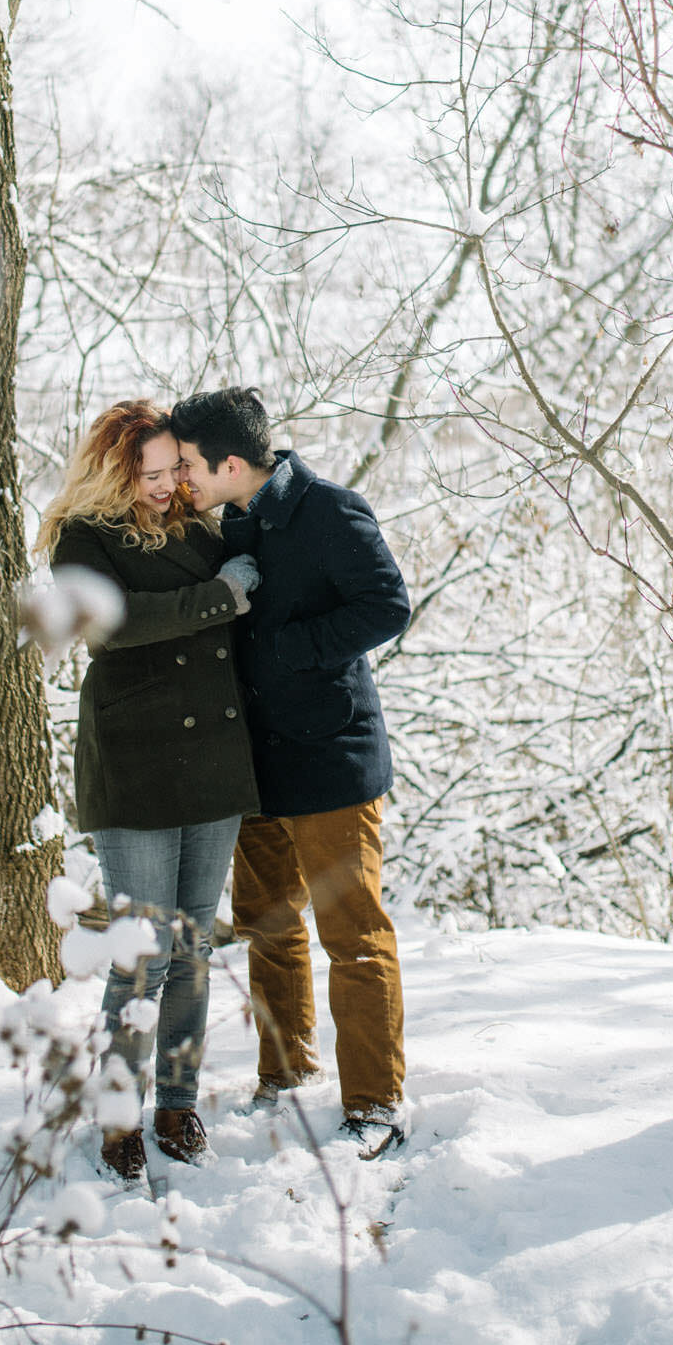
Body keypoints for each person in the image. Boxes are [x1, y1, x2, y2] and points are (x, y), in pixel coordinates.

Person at [169, 387, 411, 1153]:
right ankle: (284, 1074)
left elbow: (386, 606)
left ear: (231, 462)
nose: (182, 481)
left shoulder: (331, 511)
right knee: (269, 927)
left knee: (354, 935)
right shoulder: (222, 524)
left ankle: (374, 1105)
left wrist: (287, 651)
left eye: (188, 467)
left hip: (331, 758)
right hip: (254, 766)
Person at [38, 399, 262, 1183]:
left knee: (194, 944)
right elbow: (111, 624)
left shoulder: (201, 525)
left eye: (175, 470)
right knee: (143, 955)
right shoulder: (81, 537)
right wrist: (218, 598)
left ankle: (177, 1099)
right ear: (113, 469)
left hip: (213, 757)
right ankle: (116, 1110)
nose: (167, 486)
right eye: (151, 473)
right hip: (134, 761)